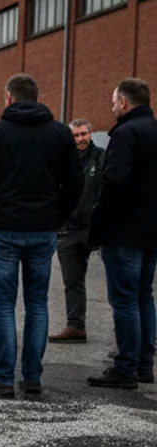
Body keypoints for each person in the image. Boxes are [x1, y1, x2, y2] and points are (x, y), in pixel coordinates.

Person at [0, 74, 83, 397]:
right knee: (37, 304)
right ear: (36, 96)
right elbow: (75, 184)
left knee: (3, 305)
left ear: (8, 98)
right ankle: (32, 377)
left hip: (3, 229)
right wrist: (55, 217)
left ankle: (3, 378)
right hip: (43, 229)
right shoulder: (60, 133)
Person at [87, 78, 157, 389]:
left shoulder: (126, 133)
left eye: (114, 101)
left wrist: (98, 218)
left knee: (126, 300)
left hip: (124, 231)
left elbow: (114, 182)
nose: (112, 106)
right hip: (152, 232)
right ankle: (144, 364)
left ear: (125, 102)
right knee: (144, 296)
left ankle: (125, 368)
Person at [49, 119, 106, 344]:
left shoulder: (102, 157)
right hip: (69, 231)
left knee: (117, 282)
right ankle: (75, 326)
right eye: (76, 135)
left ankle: (123, 335)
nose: (81, 139)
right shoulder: (62, 162)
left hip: (97, 228)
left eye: (84, 134)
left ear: (90, 134)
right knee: (72, 281)